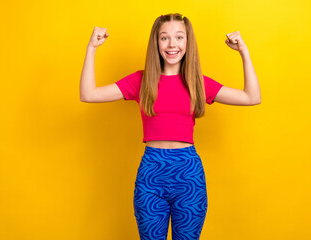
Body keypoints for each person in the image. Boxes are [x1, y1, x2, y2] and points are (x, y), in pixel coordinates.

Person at [80, 13, 261, 240]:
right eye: (164, 38)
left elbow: (252, 97)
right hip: (151, 174)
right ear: (156, 43)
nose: (172, 44)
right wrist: (91, 49)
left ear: (188, 42)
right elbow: (88, 94)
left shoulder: (197, 82)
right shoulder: (141, 80)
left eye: (179, 37)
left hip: (188, 175)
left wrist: (244, 52)